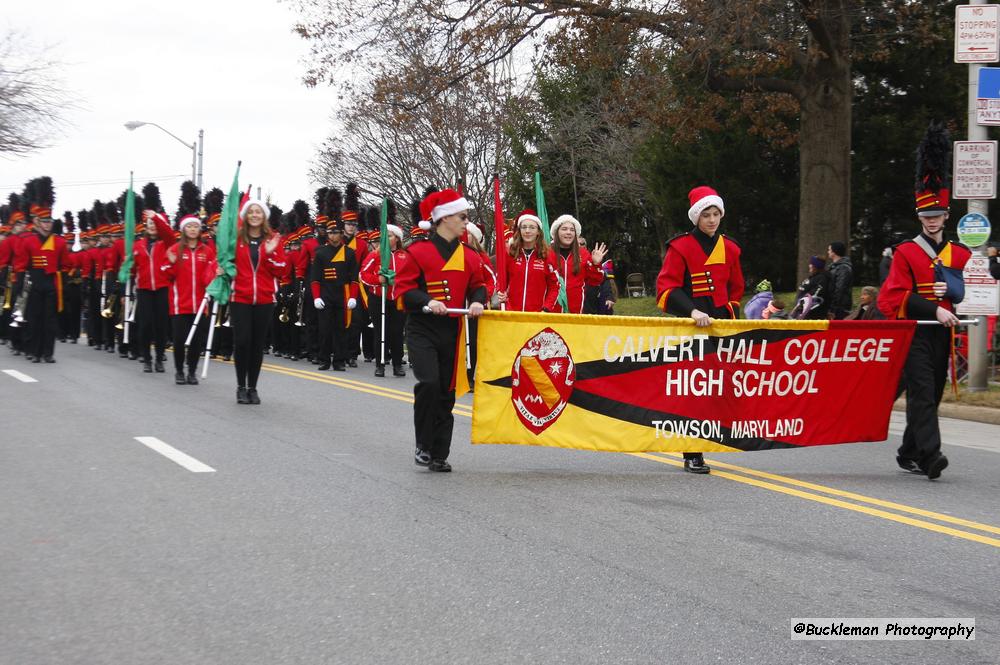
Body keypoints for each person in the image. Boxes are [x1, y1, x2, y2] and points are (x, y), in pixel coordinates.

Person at [877, 121, 971, 480]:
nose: (932, 221)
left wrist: (953, 296)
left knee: (933, 393)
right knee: (921, 394)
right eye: (926, 216)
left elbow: (961, 292)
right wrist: (935, 308)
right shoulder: (905, 253)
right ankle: (932, 457)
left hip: (941, 334)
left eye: (938, 215)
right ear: (919, 217)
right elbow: (894, 297)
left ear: (947, 216)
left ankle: (909, 451)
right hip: (914, 331)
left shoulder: (958, 254)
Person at [395, 188, 487, 472]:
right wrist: (428, 300)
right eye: (462, 216)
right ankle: (423, 444)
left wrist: (477, 302)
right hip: (422, 329)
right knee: (430, 383)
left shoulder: (469, 255)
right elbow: (404, 289)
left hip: (452, 330)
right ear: (445, 218)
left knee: (447, 392)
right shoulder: (417, 251)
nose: (465, 221)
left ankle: (439, 453)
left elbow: (479, 285)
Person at [655, 185, 745, 474]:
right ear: (696, 217)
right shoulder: (680, 247)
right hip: (689, 326)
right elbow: (666, 288)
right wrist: (692, 311)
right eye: (706, 214)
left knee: (715, 390)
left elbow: (736, 289)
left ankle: (713, 439)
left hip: (718, 328)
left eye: (716, 214)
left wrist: (727, 314)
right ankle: (692, 452)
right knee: (693, 390)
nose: (711, 220)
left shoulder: (730, 248)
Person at [229, 199, 287, 404]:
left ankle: (252, 387)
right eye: (251, 212)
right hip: (240, 297)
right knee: (242, 341)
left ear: (264, 216)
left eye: (258, 212)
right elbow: (226, 263)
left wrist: (269, 253)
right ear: (245, 216)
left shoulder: (272, 239)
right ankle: (240, 386)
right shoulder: (236, 240)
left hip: (264, 298)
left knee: (256, 345)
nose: (254, 215)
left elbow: (281, 269)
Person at [13, 177, 73, 364]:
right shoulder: (28, 241)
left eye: (49, 221)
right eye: (44, 221)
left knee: (50, 320)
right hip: (33, 282)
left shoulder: (60, 242)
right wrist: (20, 284)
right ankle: (33, 351)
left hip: (51, 283)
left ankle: (48, 353)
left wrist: (60, 280)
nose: (47, 224)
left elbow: (66, 265)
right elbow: (21, 265)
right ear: (37, 222)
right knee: (33, 318)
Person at [162, 213, 216, 385]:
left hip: (200, 305)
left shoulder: (207, 251)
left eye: (195, 226)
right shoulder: (174, 249)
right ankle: (179, 371)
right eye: (189, 226)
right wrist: (171, 263)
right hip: (179, 304)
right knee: (179, 339)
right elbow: (166, 275)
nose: (192, 229)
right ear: (183, 229)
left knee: (196, 341)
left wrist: (216, 272)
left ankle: (192, 372)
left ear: (200, 229)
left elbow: (209, 277)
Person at [131, 200, 177, 373]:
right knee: (145, 325)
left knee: (161, 326)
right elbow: (133, 268)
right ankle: (147, 359)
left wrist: (157, 218)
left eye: (155, 223)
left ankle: (159, 358)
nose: (152, 226)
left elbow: (169, 233)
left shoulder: (166, 243)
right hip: (144, 289)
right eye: (149, 223)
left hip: (162, 288)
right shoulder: (138, 245)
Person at [360, 221, 409, 377]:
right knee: (380, 331)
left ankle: (397, 364)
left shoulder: (405, 256)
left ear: (397, 238)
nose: (386, 239)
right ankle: (380, 364)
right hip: (378, 298)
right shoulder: (375, 254)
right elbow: (363, 274)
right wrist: (378, 279)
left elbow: (411, 276)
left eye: (389, 236)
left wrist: (399, 282)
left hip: (398, 299)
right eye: (384, 236)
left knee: (396, 332)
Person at [311, 217, 358, 371]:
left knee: (341, 329)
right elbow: (315, 278)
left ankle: (339, 361)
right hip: (325, 294)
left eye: (336, 232)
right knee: (324, 329)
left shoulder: (350, 253)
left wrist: (352, 296)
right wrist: (316, 296)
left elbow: (354, 279)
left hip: (342, 295)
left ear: (341, 234)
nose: (333, 235)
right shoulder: (320, 253)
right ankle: (323, 359)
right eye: (330, 232)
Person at [497, 210, 559, 312]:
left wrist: (546, 309)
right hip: (512, 313)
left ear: (538, 231)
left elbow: (555, 286)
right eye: (524, 227)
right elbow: (500, 279)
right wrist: (500, 292)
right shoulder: (510, 254)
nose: (527, 231)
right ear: (519, 230)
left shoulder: (547, 256)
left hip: (536, 316)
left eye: (532, 227)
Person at [547, 214, 606, 314]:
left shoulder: (583, 253)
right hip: (550, 310)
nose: (568, 232)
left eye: (572, 230)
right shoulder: (546, 253)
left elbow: (594, 281)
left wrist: (596, 264)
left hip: (576, 311)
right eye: (564, 229)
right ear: (556, 232)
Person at [826, 241, 853, 319]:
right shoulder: (833, 267)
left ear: (834, 252)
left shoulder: (843, 268)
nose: (828, 252)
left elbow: (840, 289)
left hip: (840, 308)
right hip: (833, 306)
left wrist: (833, 309)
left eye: (829, 250)